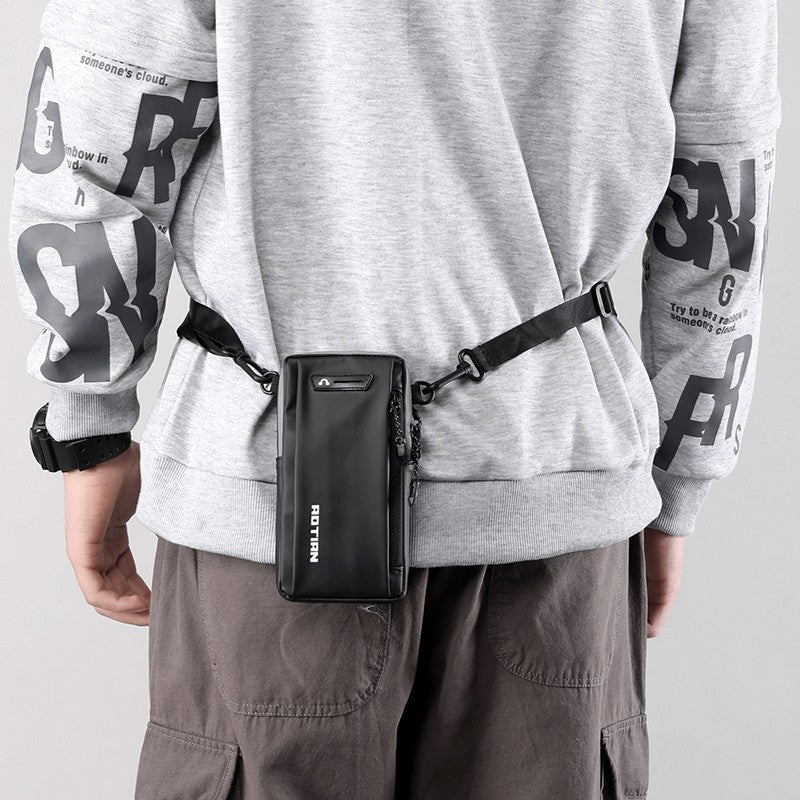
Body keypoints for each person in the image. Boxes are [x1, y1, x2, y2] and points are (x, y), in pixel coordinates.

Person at [9, 0, 780, 797]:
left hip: (267, 497)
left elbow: (94, 131)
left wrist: (89, 426)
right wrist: (679, 477)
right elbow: (724, 197)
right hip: (556, 492)